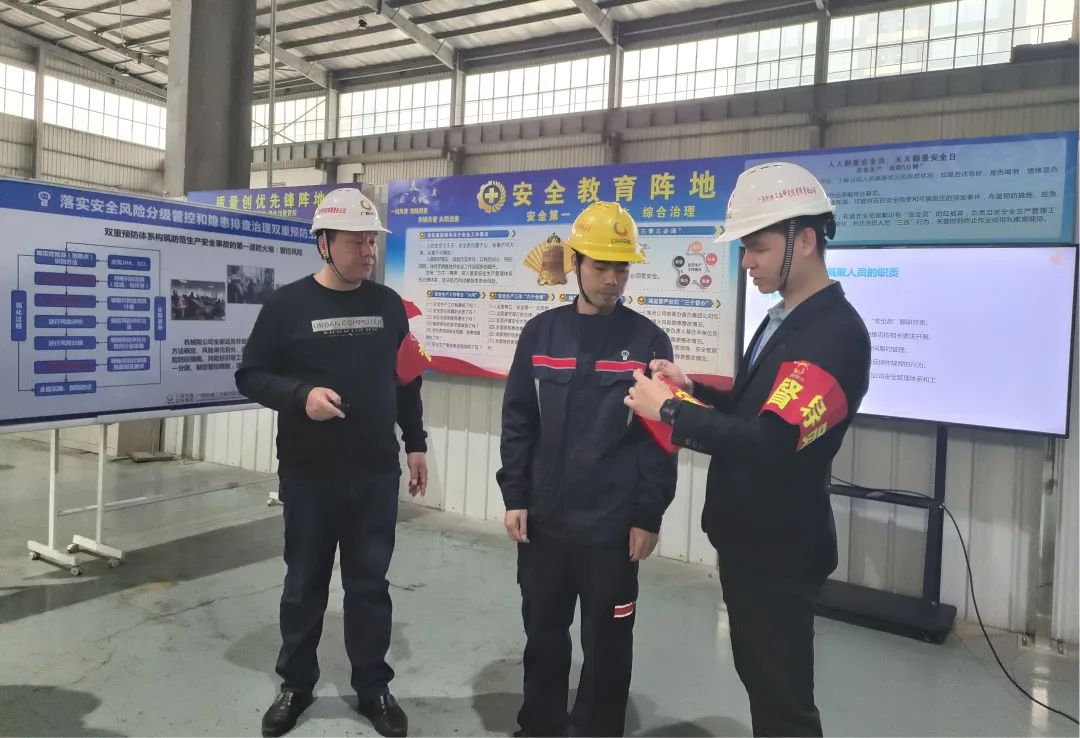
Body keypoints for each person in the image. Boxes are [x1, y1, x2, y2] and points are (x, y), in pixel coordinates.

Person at [624, 162, 871, 737]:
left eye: (757, 247)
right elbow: (756, 410)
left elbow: (771, 442)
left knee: (782, 702)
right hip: (753, 543)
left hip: (779, 552)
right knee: (763, 681)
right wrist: (691, 388)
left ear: (804, 240)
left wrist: (669, 411)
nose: (746, 262)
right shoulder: (785, 319)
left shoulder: (834, 335)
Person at [235, 188, 428, 738]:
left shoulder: (388, 306)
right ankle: (296, 685)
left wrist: (415, 442)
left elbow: (406, 380)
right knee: (304, 583)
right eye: (356, 242)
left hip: (374, 472)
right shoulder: (286, 306)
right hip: (309, 473)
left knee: (369, 585)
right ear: (324, 243)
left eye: (372, 241)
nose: (368, 252)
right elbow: (250, 375)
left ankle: (373, 687)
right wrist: (301, 397)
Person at [498, 201, 678, 737]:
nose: (612, 279)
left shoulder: (648, 342)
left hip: (612, 529)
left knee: (608, 642)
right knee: (543, 633)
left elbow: (658, 438)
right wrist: (515, 497)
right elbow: (518, 420)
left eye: (622, 268)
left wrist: (648, 515)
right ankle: (541, 724)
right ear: (575, 263)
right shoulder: (540, 334)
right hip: (545, 523)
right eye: (601, 266)